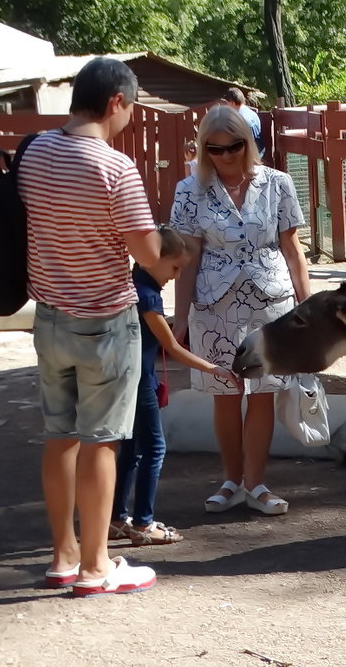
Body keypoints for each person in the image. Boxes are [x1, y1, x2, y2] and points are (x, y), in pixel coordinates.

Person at [17, 57, 162, 597]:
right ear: (116, 103)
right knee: (101, 443)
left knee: (60, 439)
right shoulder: (116, 169)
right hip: (105, 321)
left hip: (50, 317)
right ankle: (98, 566)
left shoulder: (35, 153)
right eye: (133, 106)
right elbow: (147, 253)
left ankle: (63, 555)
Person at [171, 104, 310, 516]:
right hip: (214, 302)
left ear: (248, 143)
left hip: (270, 302)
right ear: (203, 148)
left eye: (234, 146)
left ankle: (257, 484)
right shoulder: (188, 189)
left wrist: (310, 310)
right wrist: (180, 316)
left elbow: (293, 250)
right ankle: (231, 480)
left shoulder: (278, 184)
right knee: (225, 393)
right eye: (214, 148)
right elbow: (188, 257)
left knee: (264, 393)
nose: (226, 155)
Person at [109, 225, 242, 545]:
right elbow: (172, 345)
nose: (178, 275)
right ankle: (143, 523)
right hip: (138, 381)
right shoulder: (148, 296)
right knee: (154, 448)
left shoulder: (130, 285)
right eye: (175, 267)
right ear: (154, 258)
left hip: (123, 377)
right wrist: (216, 369)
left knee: (130, 449)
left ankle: (116, 519)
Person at [219, 87, 265, 161]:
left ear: (232, 103)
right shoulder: (253, 114)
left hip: (247, 158)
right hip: (258, 154)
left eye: (227, 103)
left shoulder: (238, 119)